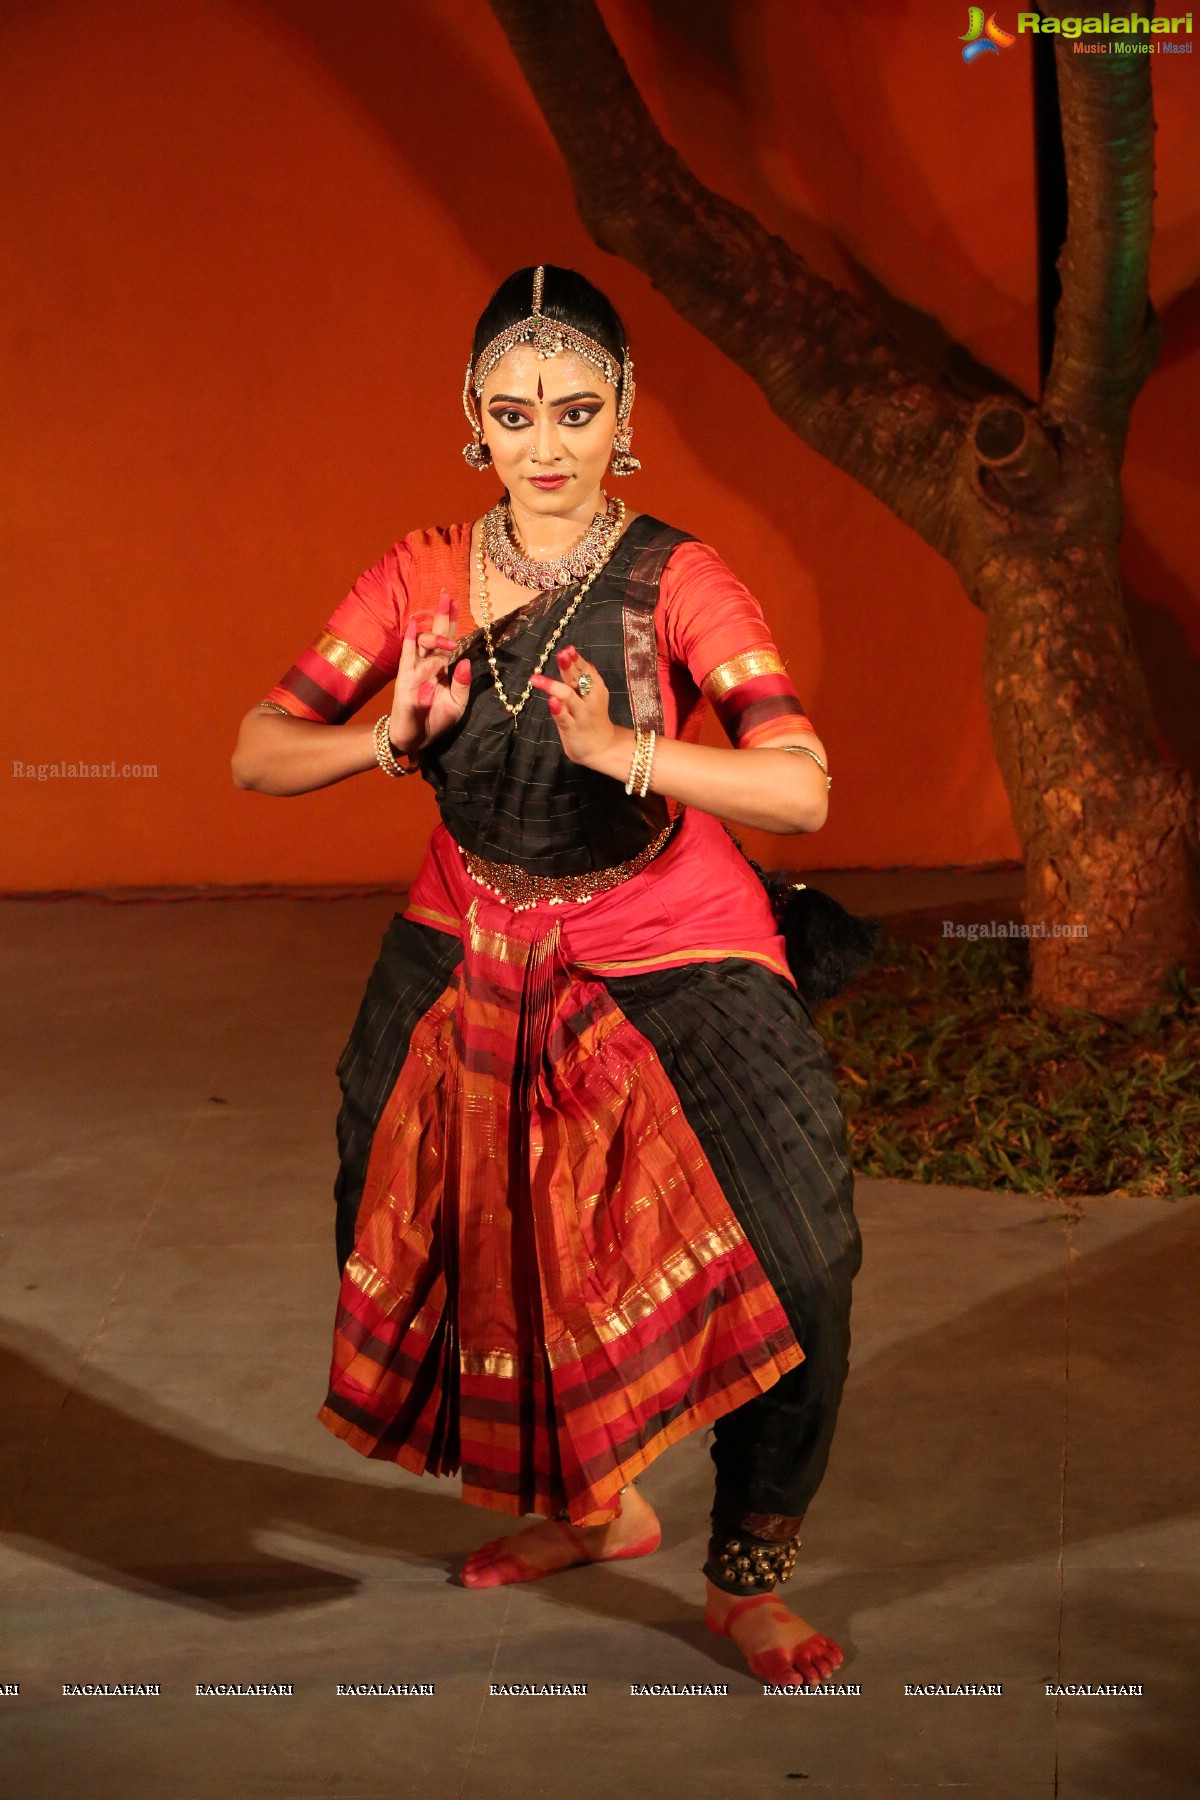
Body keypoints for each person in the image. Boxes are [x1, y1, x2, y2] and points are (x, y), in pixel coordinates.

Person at [231, 265, 862, 1691]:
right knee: (423, 1219)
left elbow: (799, 790)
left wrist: (624, 755)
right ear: (474, 417)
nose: (549, 444)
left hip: (663, 930)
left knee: (804, 1249)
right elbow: (259, 751)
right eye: (515, 413)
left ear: (625, 411)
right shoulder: (418, 574)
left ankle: (748, 1578)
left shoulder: (680, 579)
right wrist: (388, 741)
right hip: (470, 932)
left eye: (579, 410)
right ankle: (597, 1510)